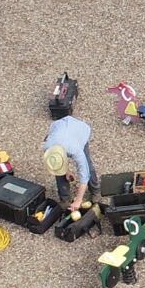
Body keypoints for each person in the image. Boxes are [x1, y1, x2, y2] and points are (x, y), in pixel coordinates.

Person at [42, 79, 94, 213]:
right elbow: (55, 164)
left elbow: (83, 174)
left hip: (78, 131)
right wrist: (65, 172)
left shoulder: (76, 150)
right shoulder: (47, 148)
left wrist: (78, 200)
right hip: (60, 125)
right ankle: (64, 199)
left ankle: (95, 189)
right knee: (58, 173)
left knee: (87, 165)